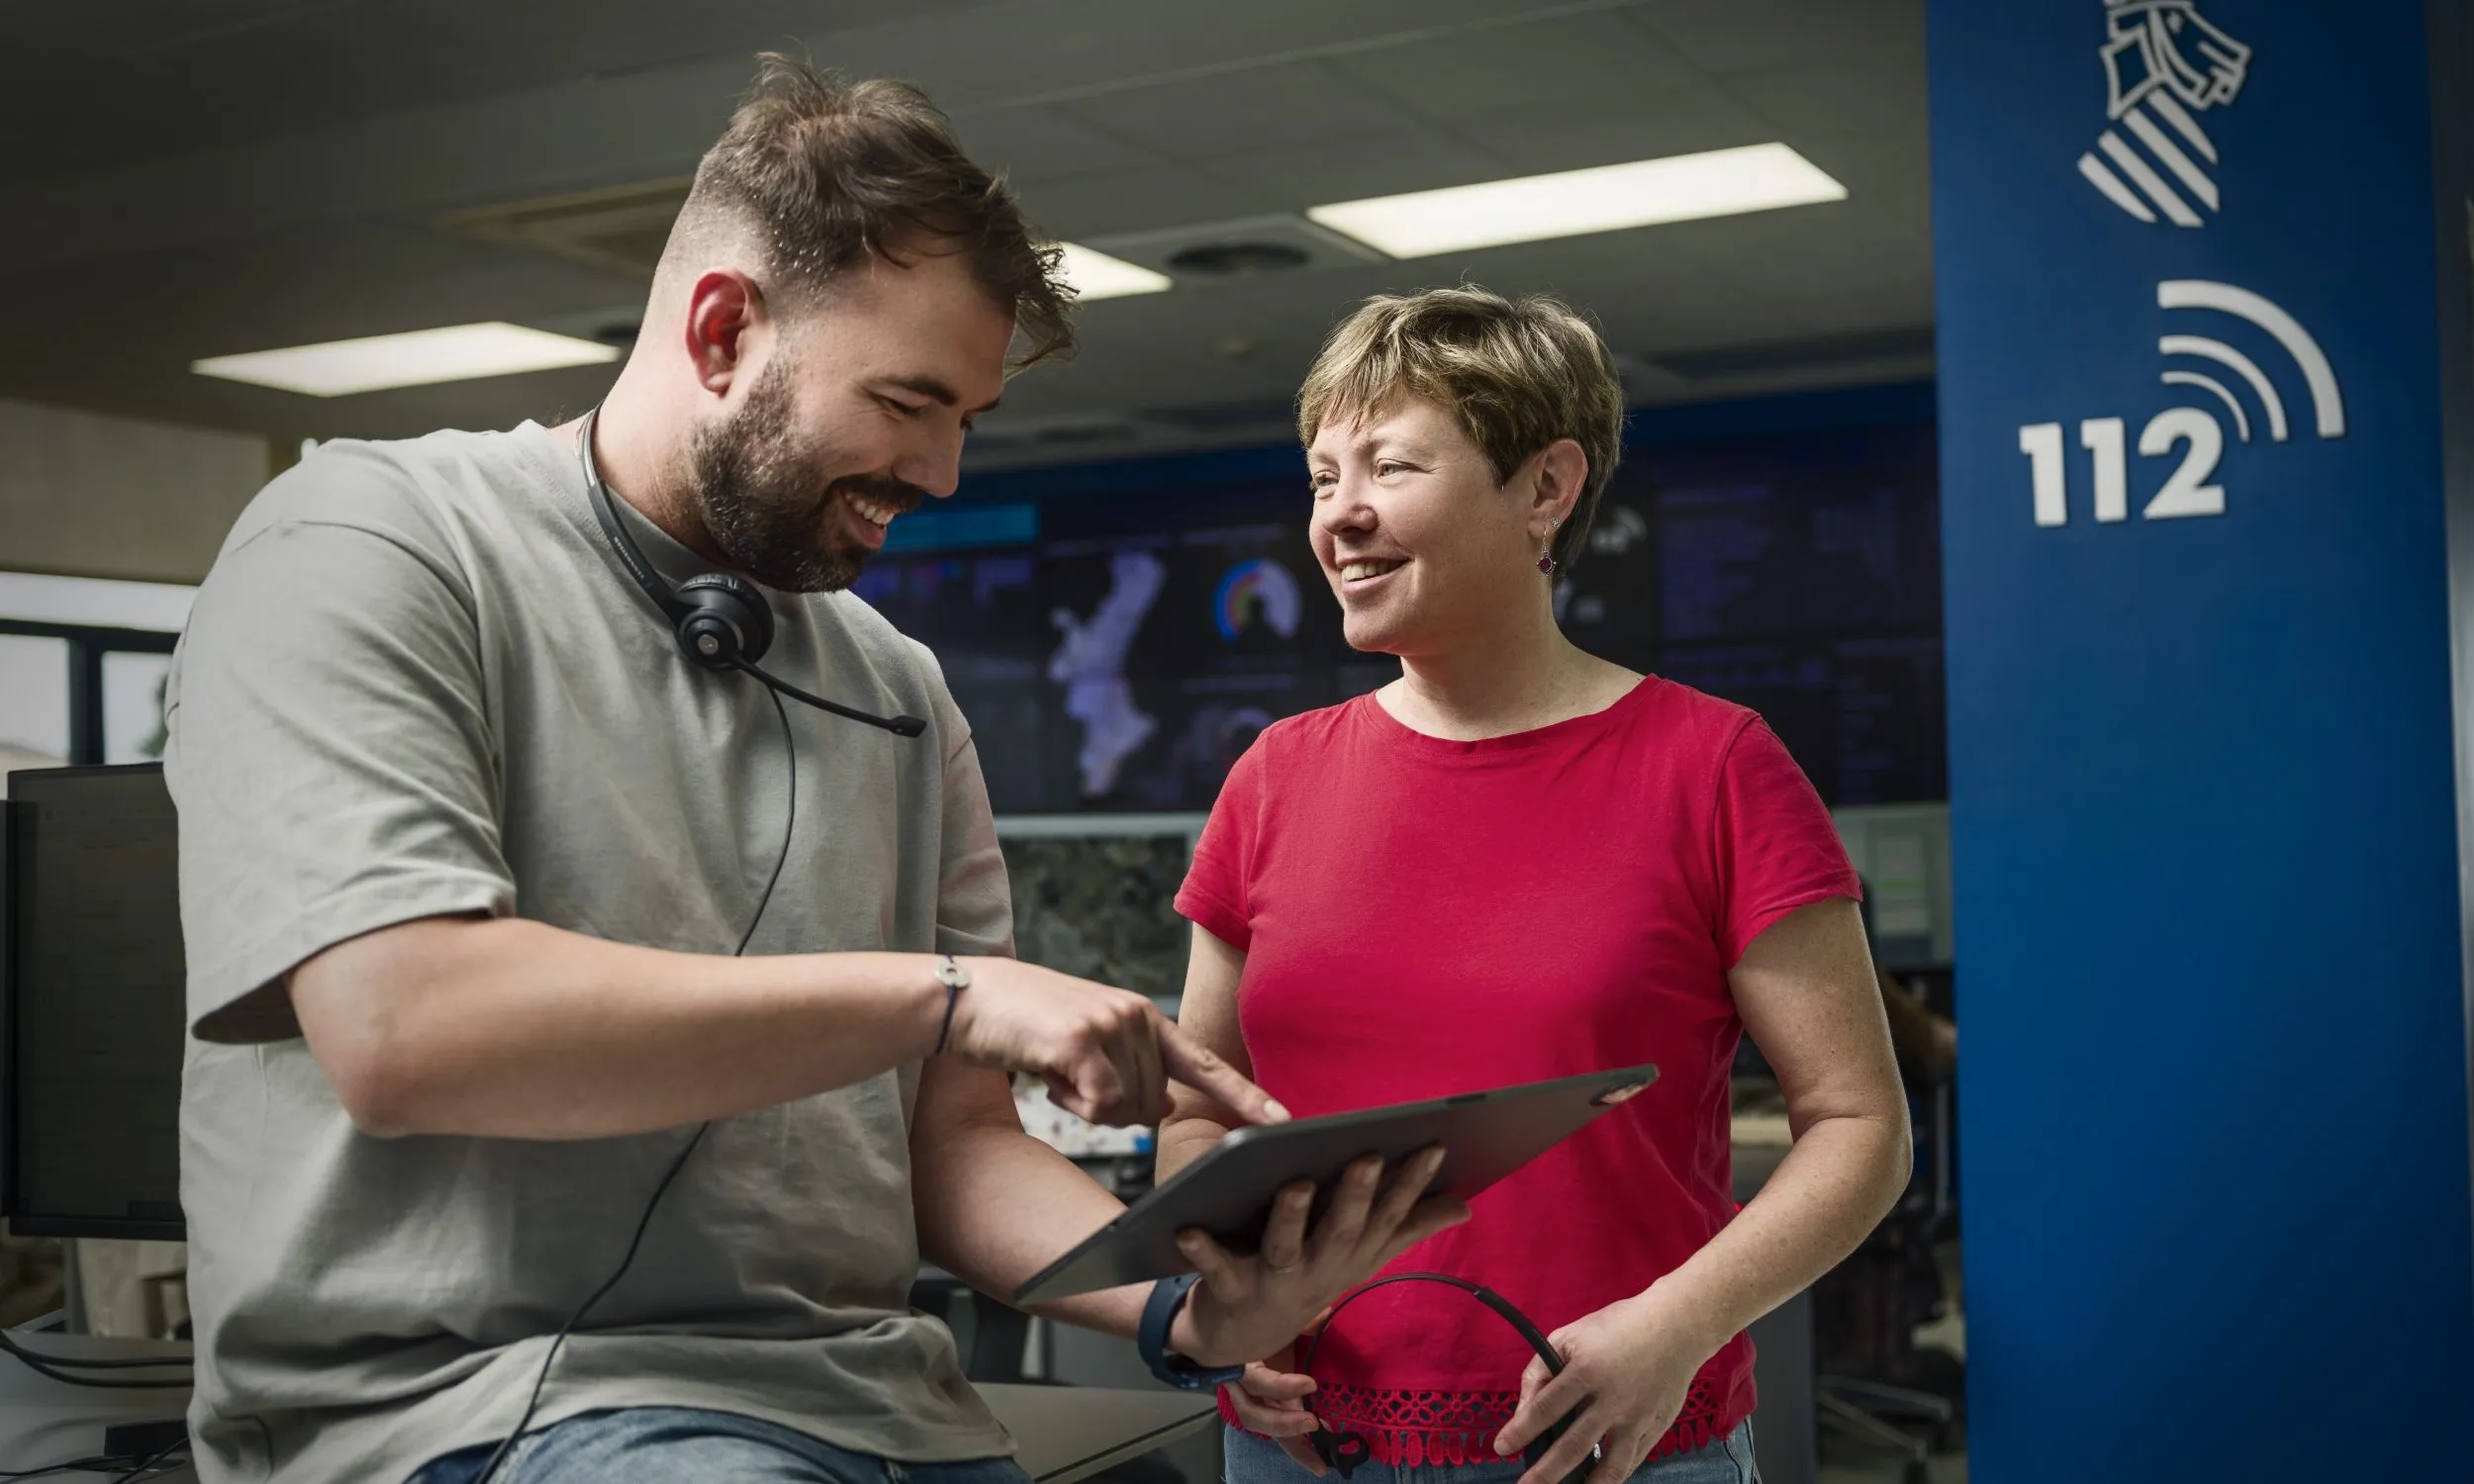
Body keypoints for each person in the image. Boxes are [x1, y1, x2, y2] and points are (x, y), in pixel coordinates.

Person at [162, 56, 1463, 1484]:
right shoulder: (365, 545)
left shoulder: (897, 692)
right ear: (721, 329)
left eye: (966, 420)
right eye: (910, 402)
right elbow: (400, 1028)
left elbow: (953, 1153)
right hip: (471, 1409)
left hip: (869, 1410)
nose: (944, 473)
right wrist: (951, 997)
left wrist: (1186, 1314)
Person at [1155, 288, 1915, 1484]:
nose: (1338, 518)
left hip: (1614, 1446)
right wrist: (1217, 1296)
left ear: (1545, 489)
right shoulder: (1273, 776)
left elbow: (1862, 1130)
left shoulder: (1713, 766)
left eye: (1390, 466)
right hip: (1301, 1450)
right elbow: (1201, 1105)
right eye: (1318, 478)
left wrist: (1677, 1323)